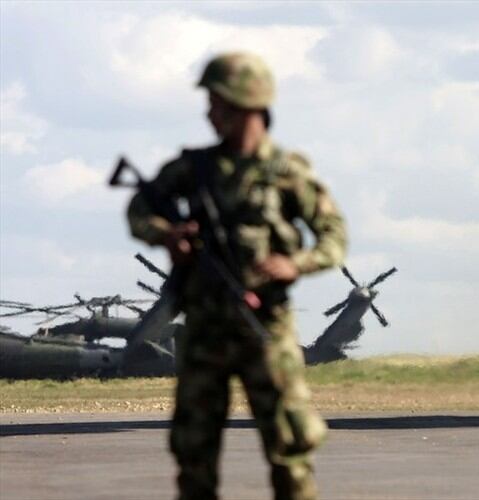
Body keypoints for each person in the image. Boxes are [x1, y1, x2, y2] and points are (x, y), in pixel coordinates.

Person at [127, 52, 347, 500]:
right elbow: (139, 209)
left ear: (246, 104)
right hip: (205, 329)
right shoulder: (193, 169)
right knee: (194, 455)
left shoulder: (287, 174)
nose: (209, 112)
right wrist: (167, 234)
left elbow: (333, 236)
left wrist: (295, 264)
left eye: (217, 102)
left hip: (265, 326)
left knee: (290, 451)